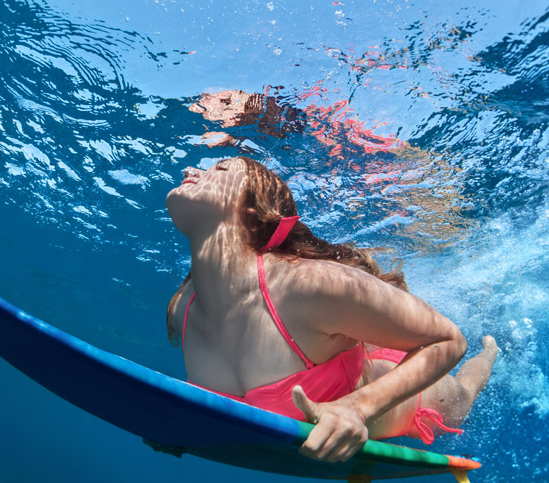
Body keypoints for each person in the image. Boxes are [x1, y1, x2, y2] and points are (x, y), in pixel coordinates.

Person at [165, 156, 498, 463]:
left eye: (219, 170)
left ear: (253, 210)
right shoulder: (182, 311)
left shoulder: (308, 284)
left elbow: (449, 341)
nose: (189, 170)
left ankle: (492, 351)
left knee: (461, 400)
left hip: (413, 398)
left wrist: (357, 408)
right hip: (332, 340)